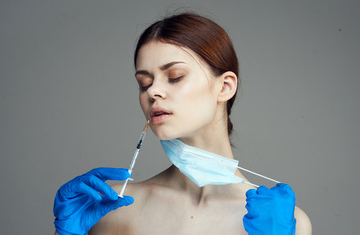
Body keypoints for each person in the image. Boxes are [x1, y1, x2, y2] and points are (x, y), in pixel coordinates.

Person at [53, 12, 312, 235]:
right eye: (144, 83)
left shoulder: (284, 222)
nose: (153, 91)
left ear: (224, 86)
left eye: (174, 77)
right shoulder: (113, 207)